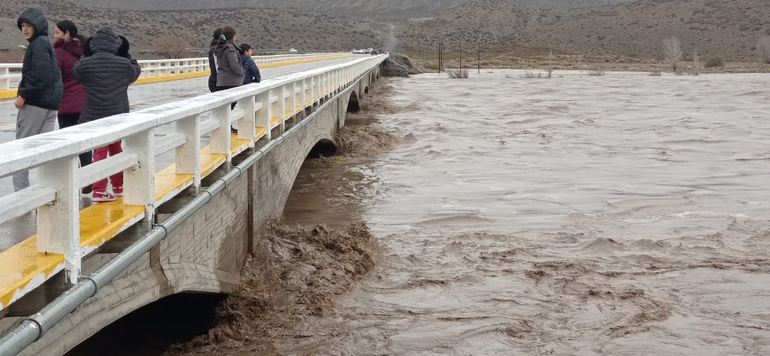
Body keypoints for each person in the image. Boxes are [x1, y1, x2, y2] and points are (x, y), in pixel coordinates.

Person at [73, 27, 141, 202]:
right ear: (115, 45)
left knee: (101, 150)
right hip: (118, 113)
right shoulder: (124, 65)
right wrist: (126, 56)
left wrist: (87, 55)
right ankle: (113, 186)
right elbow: (135, 71)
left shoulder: (85, 65)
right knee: (116, 148)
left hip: (94, 113)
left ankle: (101, 187)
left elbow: (77, 70)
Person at [13, 8, 63, 192]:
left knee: (21, 151)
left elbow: (40, 75)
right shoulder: (45, 43)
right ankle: (45, 193)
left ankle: (21, 198)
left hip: (35, 104)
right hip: (49, 105)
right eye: (23, 26)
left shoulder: (38, 45)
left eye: (29, 26)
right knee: (43, 151)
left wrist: (23, 94)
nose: (25, 29)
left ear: (38, 26)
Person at [54, 20, 92, 191]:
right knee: (85, 143)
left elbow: (57, 76)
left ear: (67, 33)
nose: (54, 36)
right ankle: (88, 178)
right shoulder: (85, 51)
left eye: (57, 32)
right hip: (86, 103)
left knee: (69, 144)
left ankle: (71, 183)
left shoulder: (59, 52)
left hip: (67, 105)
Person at [214, 26, 244, 91]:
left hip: (221, 81)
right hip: (232, 82)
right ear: (233, 36)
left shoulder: (220, 47)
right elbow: (234, 65)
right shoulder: (230, 49)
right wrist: (242, 72)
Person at [207, 28, 222, 93]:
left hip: (219, 81)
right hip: (217, 82)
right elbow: (216, 67)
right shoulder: (215, 49)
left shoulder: (219, 47)